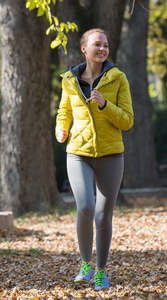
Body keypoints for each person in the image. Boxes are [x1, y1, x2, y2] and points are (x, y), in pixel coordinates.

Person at [55, 28, 134, 291]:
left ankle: (101, 271)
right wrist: (61, 129)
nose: (102, 49)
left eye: (106, 45)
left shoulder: (118, 78)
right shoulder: (69, 80)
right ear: (84, 49)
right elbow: (64, 111)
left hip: (111, 155)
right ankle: (85, 265)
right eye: (97, 44)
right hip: (78, 153)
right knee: (86, 206)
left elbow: (127, 120)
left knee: (103, 214)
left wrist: (104, 105)